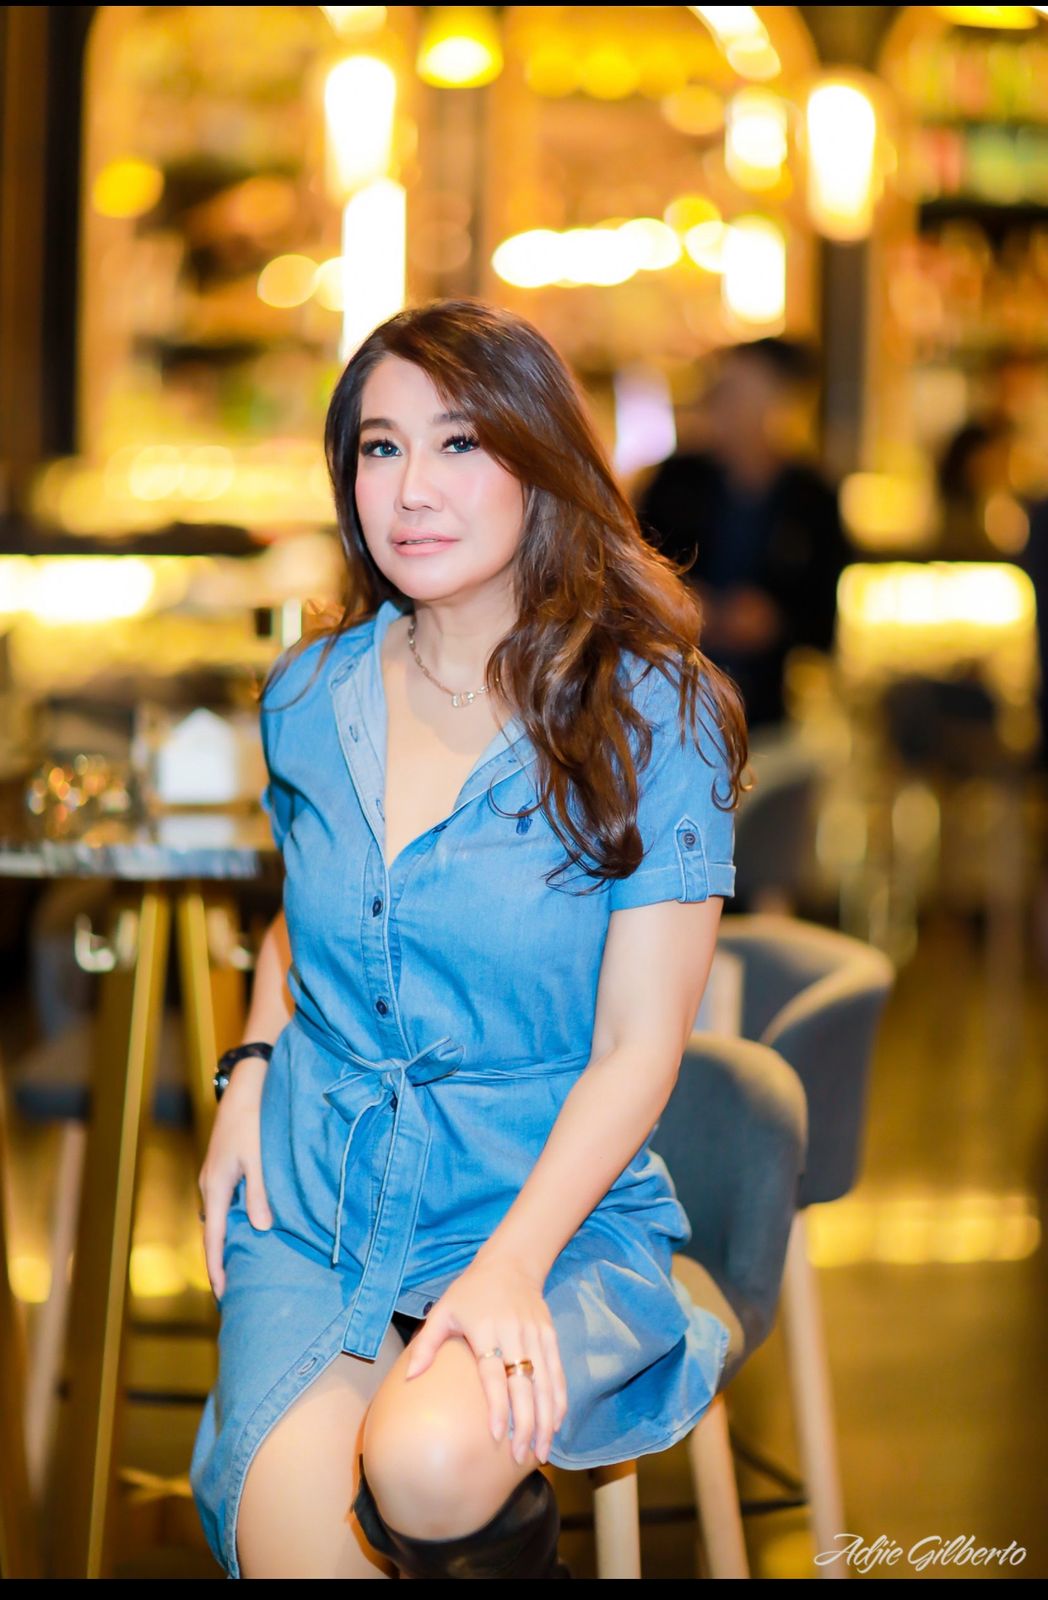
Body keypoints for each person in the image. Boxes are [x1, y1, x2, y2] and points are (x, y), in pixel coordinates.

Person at [189, 299, 749, 1580]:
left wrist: (508, 1267)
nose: (412, 490)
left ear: (538, 460)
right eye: (379, 449)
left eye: (458, 443)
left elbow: (638, 1045)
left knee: (430, 1461)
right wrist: (251, 1072)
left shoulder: (649, 713)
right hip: (320, 1199)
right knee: (300, 1552)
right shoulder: (310, 691)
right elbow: (311, 918)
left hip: (543, 1201)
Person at [635, 337, 850, 730]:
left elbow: (823, 622)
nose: (726, 406)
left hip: (775, 711)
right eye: (723, 390)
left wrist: (774, 621)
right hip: (667, 701)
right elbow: (626, 577)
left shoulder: (813, 498)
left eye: (744, 394)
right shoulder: (674, 482)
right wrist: (682, 602)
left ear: (783, 404)